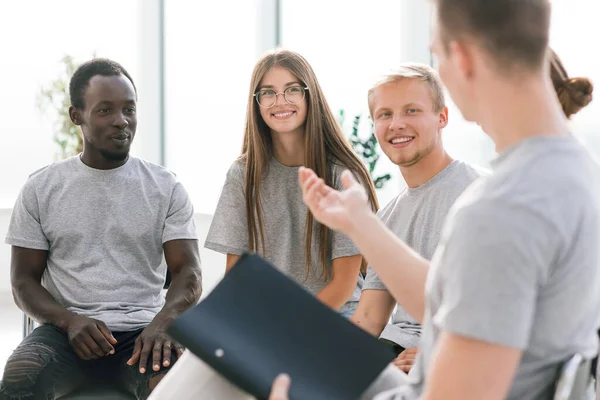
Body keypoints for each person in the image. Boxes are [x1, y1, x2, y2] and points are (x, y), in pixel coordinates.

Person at [298, 1, 600, 399]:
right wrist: (361, 222)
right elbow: (457, 301)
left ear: (461, 57)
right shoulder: (574, 169)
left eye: (436, 55)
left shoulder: (498, 209)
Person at [0, 59, 202, 400]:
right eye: (105, 110)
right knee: (20, 377)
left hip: (143, 333)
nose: (121, 121)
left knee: (177, 388)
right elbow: (23, 283)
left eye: (129, 109)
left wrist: (163, 322)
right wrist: (69, 321)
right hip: (64, 334)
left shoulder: (165, 187)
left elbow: (189, 271)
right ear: (76, 115)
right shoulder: (41, 187)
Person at [204, 49, 378, 317]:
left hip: (335, 319)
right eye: (268, 92)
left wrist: (287, 328)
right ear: (257, 102)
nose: (280, 101)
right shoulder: (242, 173)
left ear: (310, 96)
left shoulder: (342, 174)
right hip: (268, 322)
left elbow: (343, 285)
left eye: (292, 90)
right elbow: (236, 280)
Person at [350, 63, 486, 373]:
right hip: (394, 352)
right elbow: (370, 318)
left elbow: (495, 312)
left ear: (442, 117)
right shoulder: (386, 217)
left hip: (451, 356)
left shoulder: (481, 194)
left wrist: (435, 355)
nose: (396, 124)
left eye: (411, 111)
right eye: (384, 114)